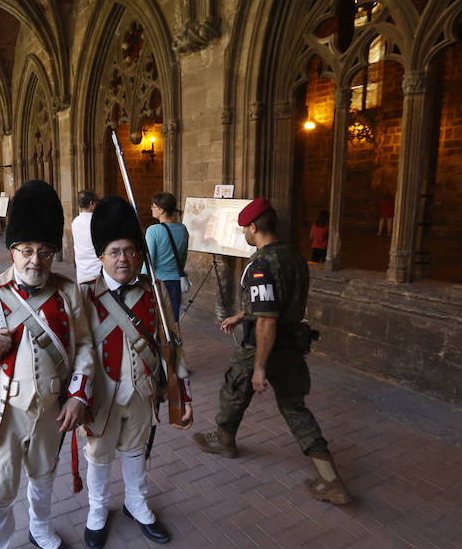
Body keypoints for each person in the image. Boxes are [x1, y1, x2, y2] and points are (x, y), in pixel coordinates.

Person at [0, 180, 94, 549]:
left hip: (51, 409)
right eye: (27, 250)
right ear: (13, 251)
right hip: (4, 411)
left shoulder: (67, 291)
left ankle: (40, 529)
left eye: (44, 251)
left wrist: (77, 396)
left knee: (44, 475)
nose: (36, 260)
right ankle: (0, 544)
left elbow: (85, 345)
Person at [193, 197, 351, 505]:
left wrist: (260, 366)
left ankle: (224, 439)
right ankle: (330, 479)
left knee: (235, 388)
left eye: (245, 230)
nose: (244, 235)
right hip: (292, 343)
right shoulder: (293, 255)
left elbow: (266, 319)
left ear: (253, 227)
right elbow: (276, 302)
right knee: (295, 408)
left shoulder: (262, 263)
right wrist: (242, 314)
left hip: (264, 346)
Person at [79, 196, 193, 548]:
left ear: (140, 255)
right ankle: (97, 510)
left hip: (143, 391)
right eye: (114, 252)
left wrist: (182, 394)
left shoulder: (154, 292)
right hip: (101, 395)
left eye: (129, 250)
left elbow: (172, 344)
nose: (123, 259)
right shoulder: (84, 295)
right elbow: (74, 352)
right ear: (101, 256)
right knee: (98, 455)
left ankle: (136, 503)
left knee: (135, 450)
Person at [144, 192, 189, 322]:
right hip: (175, 282)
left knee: (156, 321)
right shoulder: (183, 229)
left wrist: (141, 279)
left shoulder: (153, 230)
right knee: (173, 321)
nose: (151, 208)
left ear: (161, 209)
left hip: (158, 282)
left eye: (153, 206)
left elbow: (149, 259)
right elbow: (183, 256)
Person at [71, 190, 102, 283]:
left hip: (82, 272)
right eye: (98, 201)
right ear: (92, 203)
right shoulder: (98, 223)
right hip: (98, 272)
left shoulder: (75, 221)